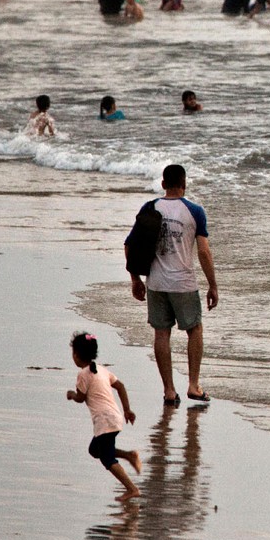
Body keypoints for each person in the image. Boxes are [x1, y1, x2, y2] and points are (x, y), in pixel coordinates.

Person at [126, 164, 220, 406]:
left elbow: (130, 245)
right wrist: (213, 285)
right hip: (184, 283)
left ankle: (169, 391)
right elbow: (204, 252)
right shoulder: (195, 211)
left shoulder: (150, 207)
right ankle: (193, 385)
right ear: (185, 184)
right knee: (195, 330)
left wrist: (135, 279)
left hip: (156, 283)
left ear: (163, 184)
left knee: (161, 333)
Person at [66, 332, 142, 502]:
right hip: (114, 417)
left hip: (104, 420)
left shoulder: (83, 375)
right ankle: (130, 456)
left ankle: (132, 488)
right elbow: (120, 386)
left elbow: (81, 398)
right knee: (95, 450)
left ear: (76, 355)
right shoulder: (102, 370)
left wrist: (71, 394)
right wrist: (127, 410)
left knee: (107, 459)